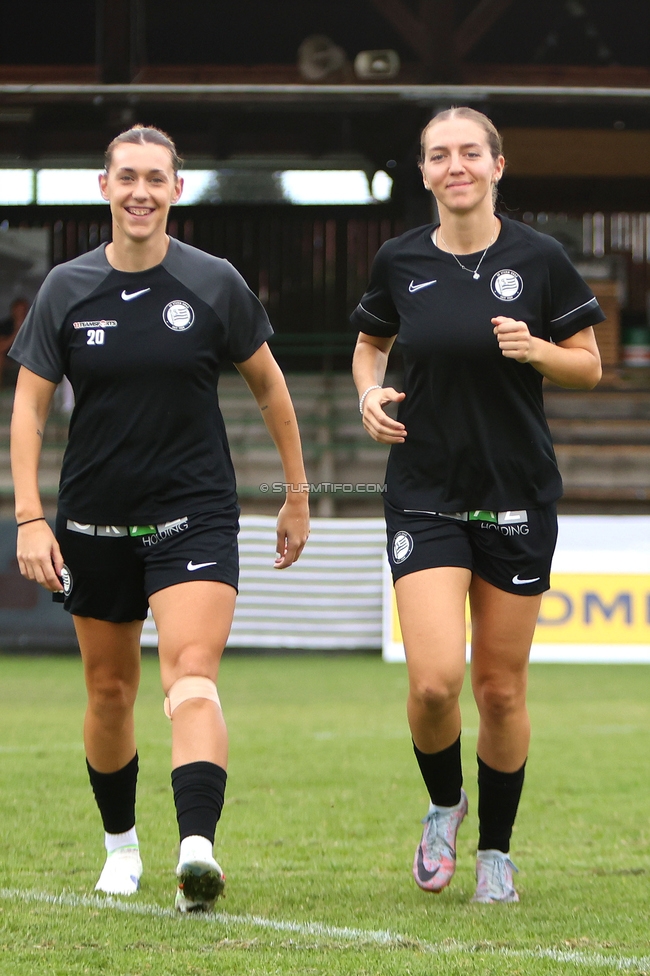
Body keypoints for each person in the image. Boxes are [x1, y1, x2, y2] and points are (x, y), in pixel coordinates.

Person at [9, 125, 310, 912]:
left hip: (195, 516)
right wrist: (30, 517)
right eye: (127, 177)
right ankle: (120, 852)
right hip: (95, 523)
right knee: (110, 690)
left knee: (191, 675)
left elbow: (273, 392)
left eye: (156, 178)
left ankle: (197, 851)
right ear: (104, 187)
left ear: (177, 190)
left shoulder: (214, 284)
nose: (141, 191)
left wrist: (297, 493)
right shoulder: (65, 290)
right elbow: (30, 411)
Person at [352, 107, 602, 903]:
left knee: (499, 689)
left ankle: (497, 850)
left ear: (497, 165)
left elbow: (590, 367)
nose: (454, 165)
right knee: (433, 684)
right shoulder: (398, 260)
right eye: (438, 155)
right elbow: (368, 345)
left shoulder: (541, 258)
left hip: (516, 493)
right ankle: (442, 805)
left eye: (469, 152)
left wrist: (539, 350)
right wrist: (367, 394)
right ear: (423, 172)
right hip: (424, 492)